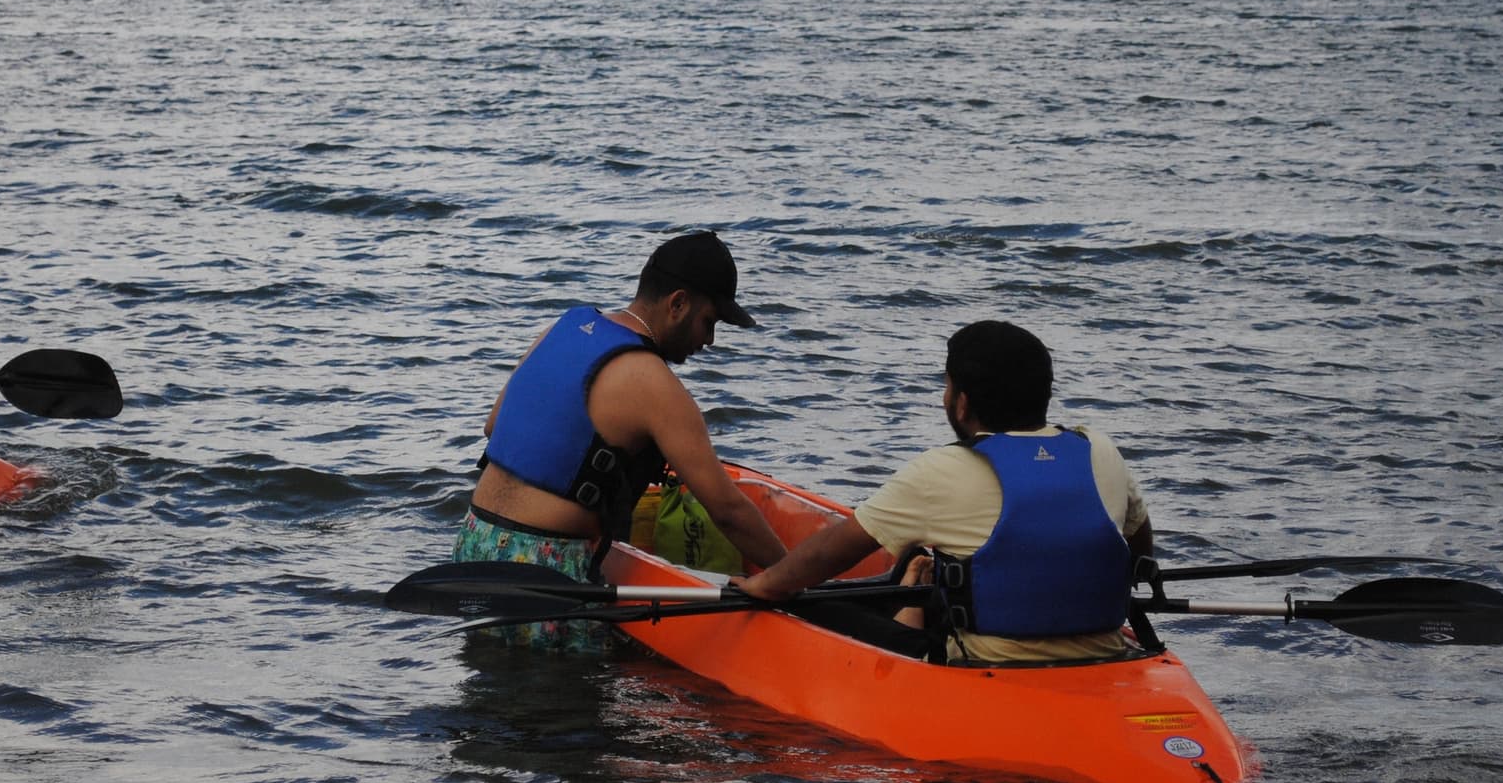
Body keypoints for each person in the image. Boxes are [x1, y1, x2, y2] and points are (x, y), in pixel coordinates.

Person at [737, 320, 1151, 664]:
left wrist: (767, 585)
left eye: (947, 386)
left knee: (804, 600)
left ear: (962, 404)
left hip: (987, 664)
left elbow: (832, 552)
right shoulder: (1098, 449)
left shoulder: (943, 470)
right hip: (1106, 650)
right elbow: (1138, 539)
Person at [455, 231, 789, 650]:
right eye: (710, 321)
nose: (710, 340)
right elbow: (727, 511)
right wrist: (794, 577)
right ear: (678, 304)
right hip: (548, 566)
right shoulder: (653, 381)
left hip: (474, 544)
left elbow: (493, 426)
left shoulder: (564, 326)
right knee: (570, 711)